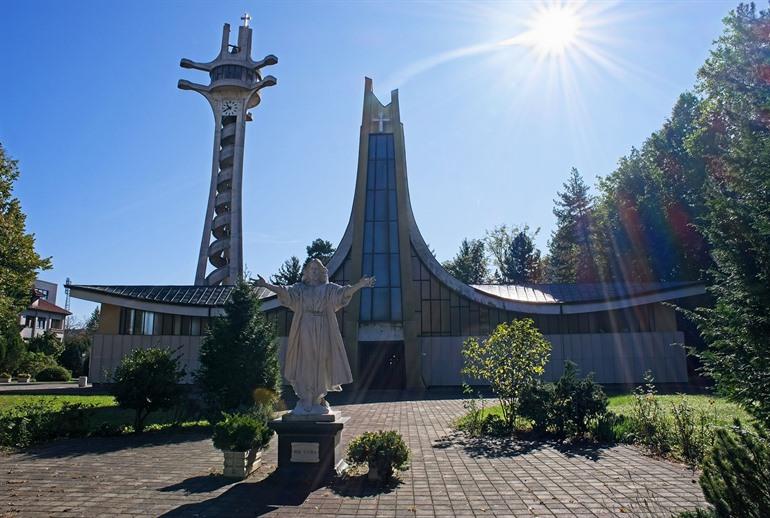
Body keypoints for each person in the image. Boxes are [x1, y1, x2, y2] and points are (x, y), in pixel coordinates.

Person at [254, 259, 375, 415]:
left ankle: (319, 395)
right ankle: (307, 395)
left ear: (322, 272)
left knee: (322, 359)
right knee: (307, 360)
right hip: (305, 326)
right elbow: (285, 291)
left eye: (317, 269)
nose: (314, 271)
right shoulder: (300, 289)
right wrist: (266, 285)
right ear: (306, 272)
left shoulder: (328, 289)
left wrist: (360, 285)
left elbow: (343, 293)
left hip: (324, 326)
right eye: (311, 268)